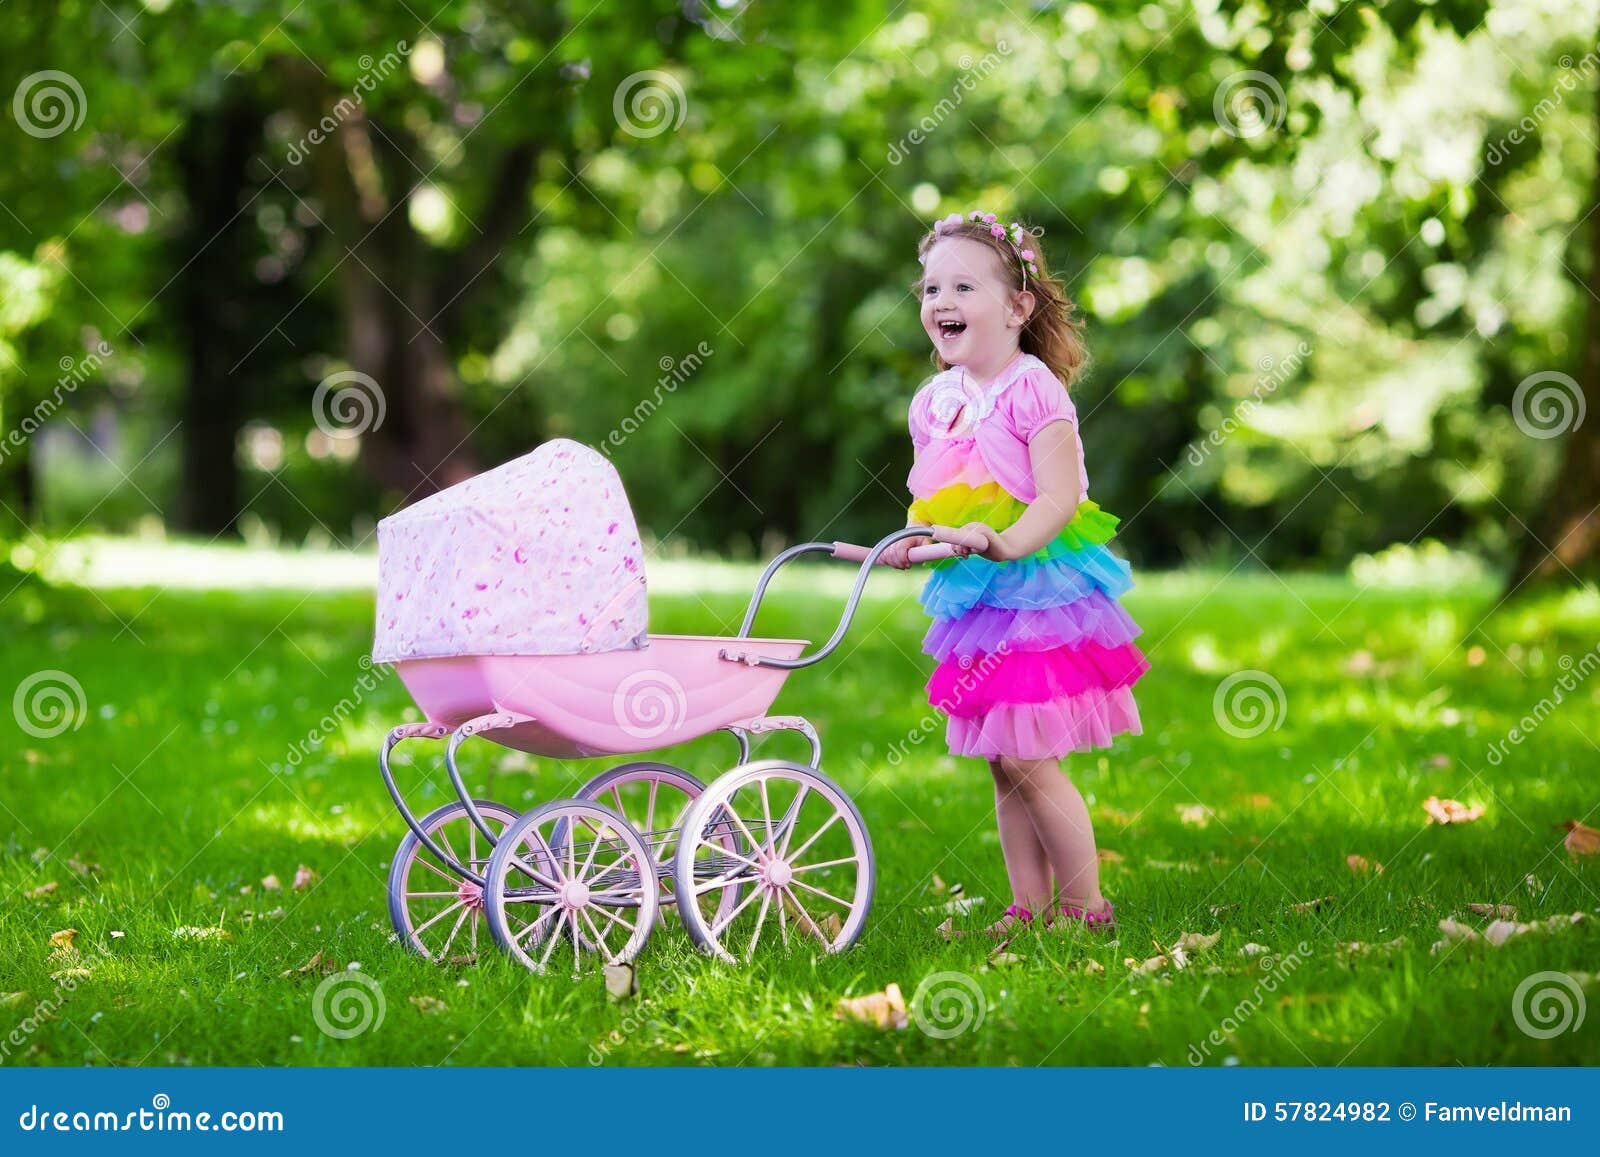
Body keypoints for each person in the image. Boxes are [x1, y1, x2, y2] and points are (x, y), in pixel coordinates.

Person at [881, 211, 1149, 936]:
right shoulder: (935, 400)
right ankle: (1026, 905)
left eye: (964, 285)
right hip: (982, 595)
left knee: (1031, 756)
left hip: (1042, 589)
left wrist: (1002, 543)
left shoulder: (1034, 391)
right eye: (932, 286)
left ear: (1017, 306)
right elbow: (936, 494)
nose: (941, 301)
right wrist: (916, 539)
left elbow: (1059, 499)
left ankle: (1085, 907)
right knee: (1003, 758)